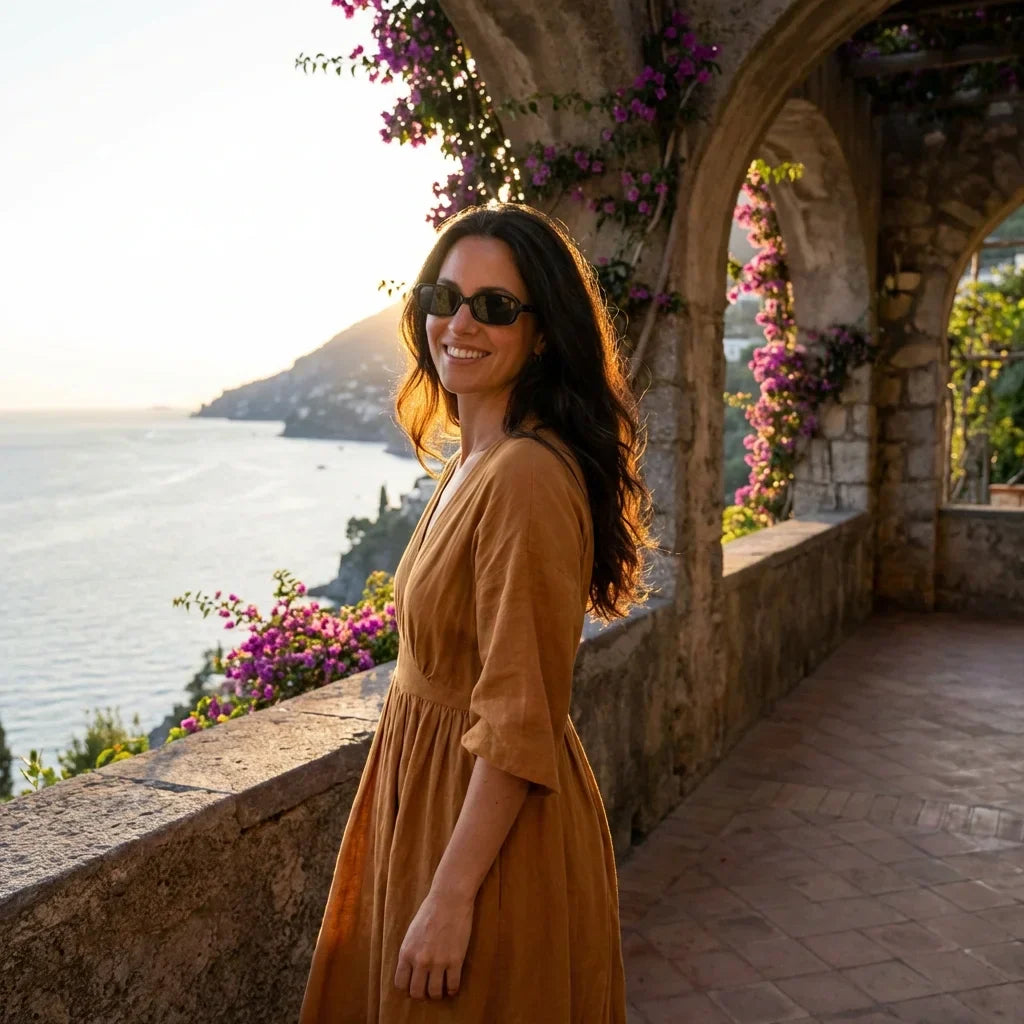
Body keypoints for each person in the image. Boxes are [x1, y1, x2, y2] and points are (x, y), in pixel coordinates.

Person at [299, 202, 654, 1023]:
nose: (459, 324)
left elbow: (519, 713)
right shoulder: (474, 460)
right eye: (443, 297)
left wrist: (451, 896)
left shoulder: (524, 477)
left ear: (542, 332)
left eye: (494, 306)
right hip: (433, 802)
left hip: (482, 837)